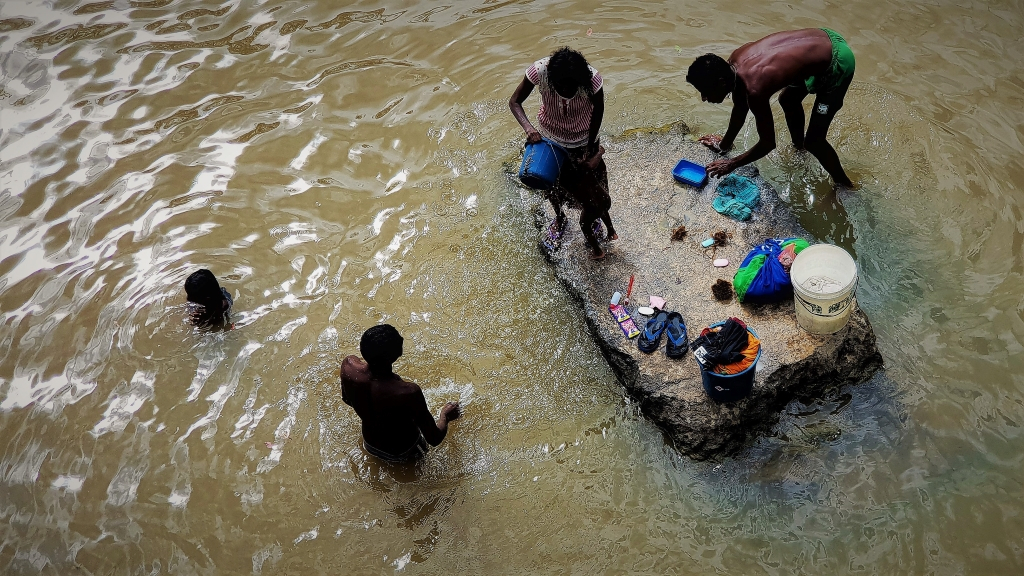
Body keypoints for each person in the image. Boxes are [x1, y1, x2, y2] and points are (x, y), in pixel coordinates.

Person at [686, 28, 856, 187]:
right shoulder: (734, 63)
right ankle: (799, 148)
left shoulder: (755, 90)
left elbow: (767, 143)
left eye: (705, 91)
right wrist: (723, 146)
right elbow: (740, 109)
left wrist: (732, 164)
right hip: (821, 39)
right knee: (787, 99)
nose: (704, 98)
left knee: (815, 141)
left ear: (721, 83)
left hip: (837, 61)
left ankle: (845, 186)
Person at [509, 46, 618, 259]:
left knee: (593, 186)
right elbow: (515, 102)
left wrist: (590, 148)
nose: (567, 92)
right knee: (551, 184)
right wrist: (529, 129)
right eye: (562, 87)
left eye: (572, 88)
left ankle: (593, 218)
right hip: (550, 138)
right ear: (552, 79)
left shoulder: (592, 81)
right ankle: (559, 218)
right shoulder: (539, 72)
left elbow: (598, 112)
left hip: (583, 139)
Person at [341, 324, 461, 462]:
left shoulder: (349, 367)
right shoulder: (407, 392)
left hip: (369, 444)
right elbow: (434, 438)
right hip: (405, 451)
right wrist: (445, 416)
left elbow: (346, 399)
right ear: (397, 352)